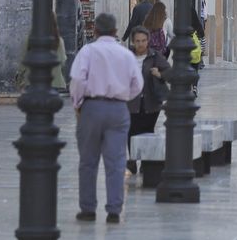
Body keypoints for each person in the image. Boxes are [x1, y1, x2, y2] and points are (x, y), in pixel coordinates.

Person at [69, 13, 142, 223]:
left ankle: (88, 208)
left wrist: (78, 104)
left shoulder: (88, 51)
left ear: (96, 31)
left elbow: (77, 81)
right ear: (115, 31)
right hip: (118, 109)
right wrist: (123, 97)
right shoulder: (125, 54)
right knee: (116, 161)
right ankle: (114, 209)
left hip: (91, 107)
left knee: (88, 161)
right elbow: (138, 84)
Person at [125, 27, 166, 176]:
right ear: (133, 42)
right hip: (131, 101)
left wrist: (159, 74)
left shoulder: (155, 56)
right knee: (131, 132)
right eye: (137, 41)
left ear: (148, 41)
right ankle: (132, 161)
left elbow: (169, 72)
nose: (141, 44)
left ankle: (145, 162)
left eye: (143, 41)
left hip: (151, 102)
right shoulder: (127, 56)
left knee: (147, 132)